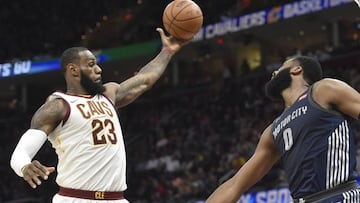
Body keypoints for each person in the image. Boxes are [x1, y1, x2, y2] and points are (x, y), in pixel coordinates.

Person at [10, 28, 190, 203]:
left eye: (96, 64)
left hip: (117, 198)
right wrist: (25, 166)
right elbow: (21, 152)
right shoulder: (58, 106)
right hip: (76, 198)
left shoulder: (108, 94)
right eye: (91, 65)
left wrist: (167, 51)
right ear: (73, 70)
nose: (99, 69)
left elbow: (144, 79)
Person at [206, 56, 360, 203]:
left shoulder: (322, 90)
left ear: (296, 70)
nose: (274, 72)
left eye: (281, 67)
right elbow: (235, 184)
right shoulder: (273, 130)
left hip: (339, 196)